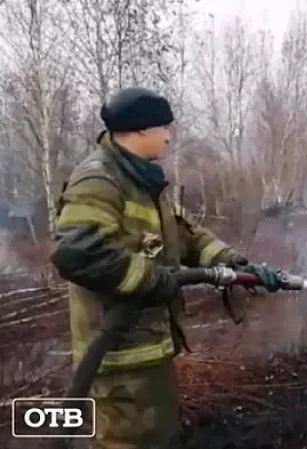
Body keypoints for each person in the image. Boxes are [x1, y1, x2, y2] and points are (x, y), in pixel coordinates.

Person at [49, 86, 279, 449]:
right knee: (129, 441)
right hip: (118, 353)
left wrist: (231, 261)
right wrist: (153, 279)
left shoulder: (144, 181)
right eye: (164, 128)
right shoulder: (98, 180)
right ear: (141, 130)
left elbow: (186, 236)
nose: (170, 137)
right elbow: (78, 254)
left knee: (160, 437)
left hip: (148, 346)